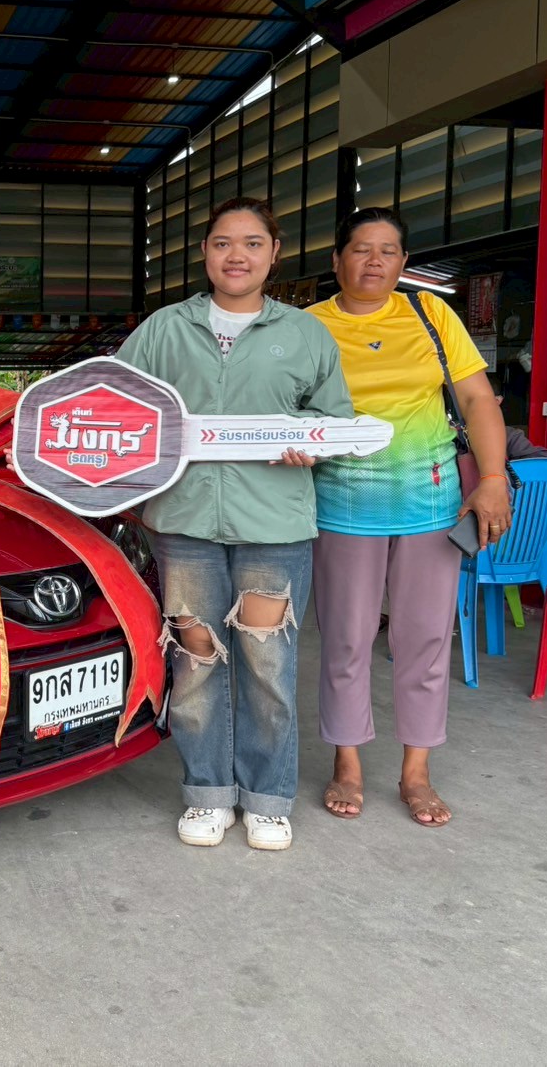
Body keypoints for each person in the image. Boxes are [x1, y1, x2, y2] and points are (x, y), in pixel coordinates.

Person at [114, 197, 353, 851]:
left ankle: (268, 798)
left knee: (267, 664)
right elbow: (117, 404)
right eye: (223, 243)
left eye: (252, 243)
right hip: (184, 520)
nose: (236, 255)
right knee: (195, 661)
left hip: (274, 524)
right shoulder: (164, 329)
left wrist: (312, 442)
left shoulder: (303, 334)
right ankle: (207, 793)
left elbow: (334, 418)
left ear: (274, 253)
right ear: (205, 253)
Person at [310, 207, 512, 828]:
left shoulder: (431, 314)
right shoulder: (307, 327)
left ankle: (416, 772)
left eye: (388, 251)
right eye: (361, 249)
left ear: (403, 262)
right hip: (342, 503)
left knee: (424, 639)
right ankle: (347, 762)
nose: (374, 261)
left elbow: (476, 397)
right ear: (337, 259)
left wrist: (494, 479)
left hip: (429, 502)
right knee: (346, 639)